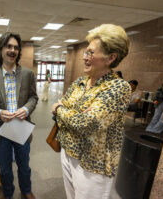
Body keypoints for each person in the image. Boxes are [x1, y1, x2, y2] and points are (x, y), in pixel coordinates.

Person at [51, 24, 131, 199]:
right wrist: (66, 111)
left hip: (93, 164)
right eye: (85, 52)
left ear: (110, 58)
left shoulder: (118, 87)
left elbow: (87, 124)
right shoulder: (80, 82)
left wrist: (60, 110)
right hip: (67, 152)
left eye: (90, 53)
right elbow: (62, 110)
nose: (84, 57)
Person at [0, 32, 38, 199]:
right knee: (5, 168)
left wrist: (26, 109)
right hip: (1, 130)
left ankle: (26, 191)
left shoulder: (27, 74)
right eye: (8, 46)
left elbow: (34, 97)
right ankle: (8, 193)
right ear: (1, 50)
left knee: (24, 166)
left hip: (22, 128)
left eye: (16, 48)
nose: (12, 50)